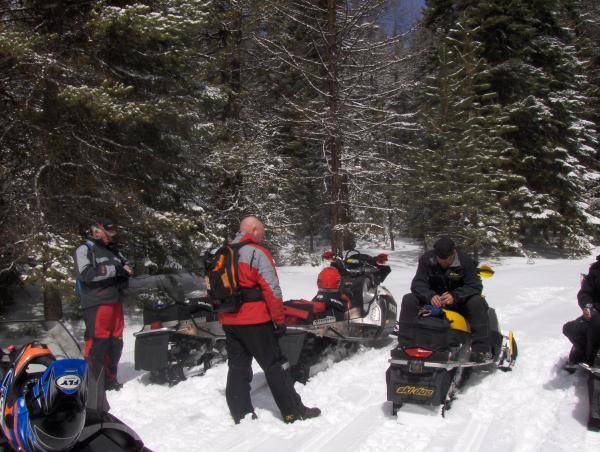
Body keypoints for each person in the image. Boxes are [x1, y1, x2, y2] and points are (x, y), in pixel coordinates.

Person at [219, 216, 320, 424]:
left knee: (238, 367)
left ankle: (241, 413)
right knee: (275, 365)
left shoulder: (223, 253)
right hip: (255, 320)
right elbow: (271, 289)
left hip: (229, 321)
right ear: (254, 230)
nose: (263, 236)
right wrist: (279, 320)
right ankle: (293, 411)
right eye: (262, 232)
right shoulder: (257, 253)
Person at [398, 236, 491, 362]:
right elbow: (418, 284)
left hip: (458, 302)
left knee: (477, 302)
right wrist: (430, 296)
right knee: (409, 299)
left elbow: (475, 286)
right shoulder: (427, 260)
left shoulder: (465, 261)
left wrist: (455, 295)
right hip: (433, 300)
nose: (442, 262)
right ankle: (405, 343)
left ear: (454, 253)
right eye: (439, 259)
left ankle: (481, 349)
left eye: (446, 259)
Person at [73, 218, 133, 391]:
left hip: (115, 300)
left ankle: (110, 378)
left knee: (116, 342)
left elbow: (126, 264)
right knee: (99, 342)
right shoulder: (84, 249)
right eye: (108, 234)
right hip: (96, 302)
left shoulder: (112, 250)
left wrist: (126, 268)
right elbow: (85, 273)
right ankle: (93, 382)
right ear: (96, 231)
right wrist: (115, 270)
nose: (110, 238)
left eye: (112, 234)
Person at [563, 255, 600, 367]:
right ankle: (584, 353)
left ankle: (590, 358)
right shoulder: (596, 269)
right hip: (596, 312)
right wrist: (588, 306)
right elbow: (585, 293)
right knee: (569, 328)